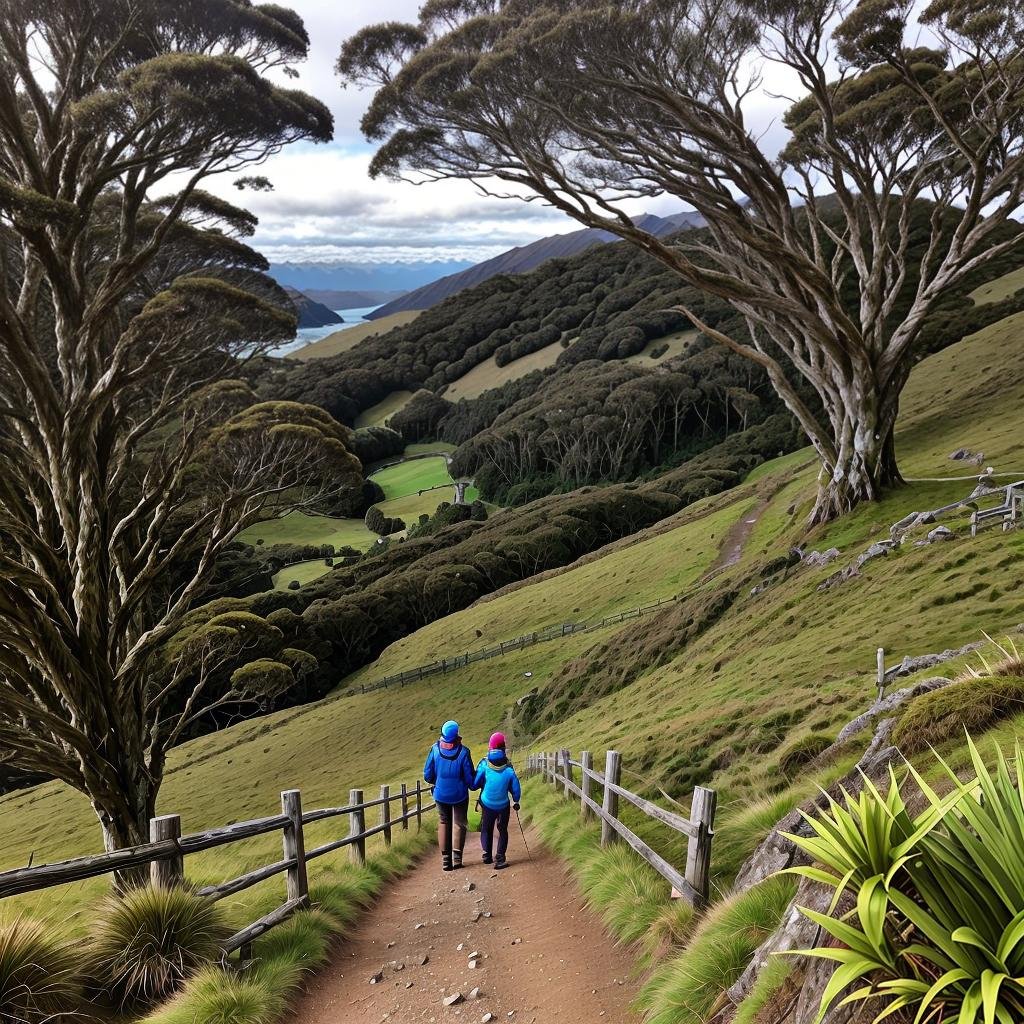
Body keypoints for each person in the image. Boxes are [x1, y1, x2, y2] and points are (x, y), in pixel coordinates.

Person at [423, 720, 476, 871]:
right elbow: (469, 779)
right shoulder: (464, 752)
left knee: (444, 822)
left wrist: (437, 781)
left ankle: (446, 860)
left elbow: (427, 775)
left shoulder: (434, 749)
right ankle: (457, 858)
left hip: (440, 794)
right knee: (459, 823)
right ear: (456, 733)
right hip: (460, 794)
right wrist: (475, 783)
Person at [474, 743, 522, 869]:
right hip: (503, 805)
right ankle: (500, 858)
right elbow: (516, 790)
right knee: (502, 830)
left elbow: (475, 783)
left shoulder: (485, 767)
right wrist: (516, 800)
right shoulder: (509, 771)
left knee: (486, 829)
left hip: (487, 803)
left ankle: (487, 855)